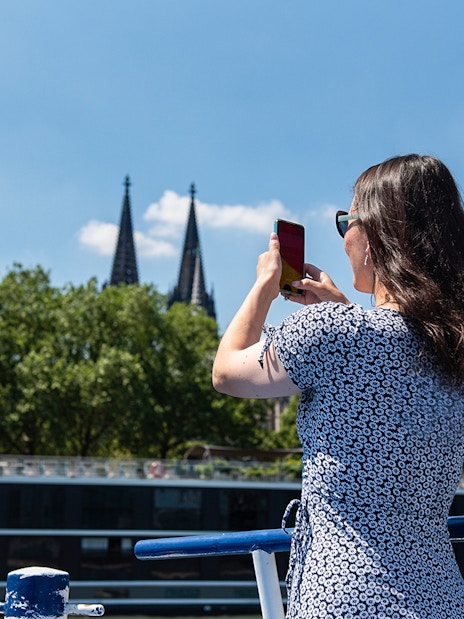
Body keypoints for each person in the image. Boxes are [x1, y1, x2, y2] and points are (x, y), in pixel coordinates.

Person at [212, 154, 464, 618]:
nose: (343, 236)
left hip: (345, 596)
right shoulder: (454, 350)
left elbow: (226, 372)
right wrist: (346, 308)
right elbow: (388, 371)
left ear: (373, 237)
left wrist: (266, 286)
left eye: (346, 220)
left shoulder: (332, 332)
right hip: (441, 597)